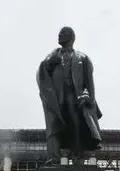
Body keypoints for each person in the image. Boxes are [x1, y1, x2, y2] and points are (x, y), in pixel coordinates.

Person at [37, 26, 103, 164]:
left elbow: (89, 83)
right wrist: (46, 64)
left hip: (75, 98)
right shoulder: (51, 58)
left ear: (72, 37)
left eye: (63, 33)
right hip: (57, 98)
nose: (59, 35)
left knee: (76, 125)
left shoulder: (83, 58)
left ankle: (77, 157)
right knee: (54, 126)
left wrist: (88, 98)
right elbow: (42, 74)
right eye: (59, 33)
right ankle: (53, 157)